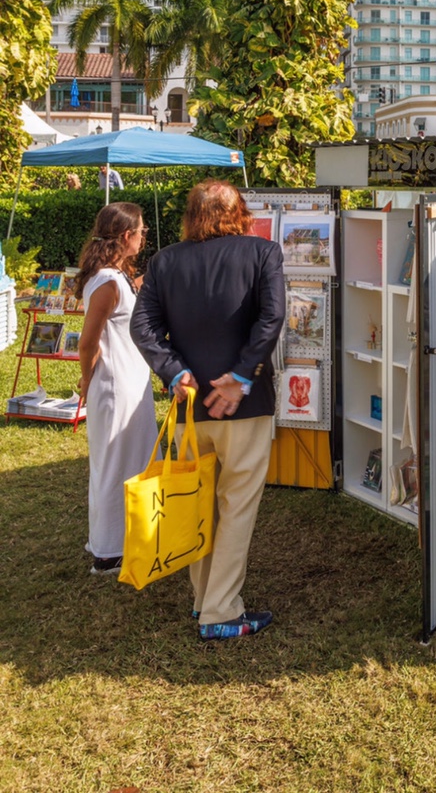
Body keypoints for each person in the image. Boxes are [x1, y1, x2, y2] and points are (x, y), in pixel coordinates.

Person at [130, 180, 285, 641]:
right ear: (240, 212)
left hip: (191, 404)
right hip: (244, 404)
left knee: (196, 502)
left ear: (191, 215)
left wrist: (177, 374)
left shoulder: (165, 261)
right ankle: (220, 610)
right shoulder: (263, 253)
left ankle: (204, 602)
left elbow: (143, 328)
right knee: (236, 506)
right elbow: (271, 317)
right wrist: (239, 378)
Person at [75, 203, 158, 576]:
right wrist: (86, 379)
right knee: (113, 465)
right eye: (141, 232)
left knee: (132, 461)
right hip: (114, 385)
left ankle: (126, 538)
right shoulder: (107, 282)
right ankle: (107, 552)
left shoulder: (117, 277)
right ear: (127, 236)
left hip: (129, 382)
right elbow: (87, 341)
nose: (144, 237)